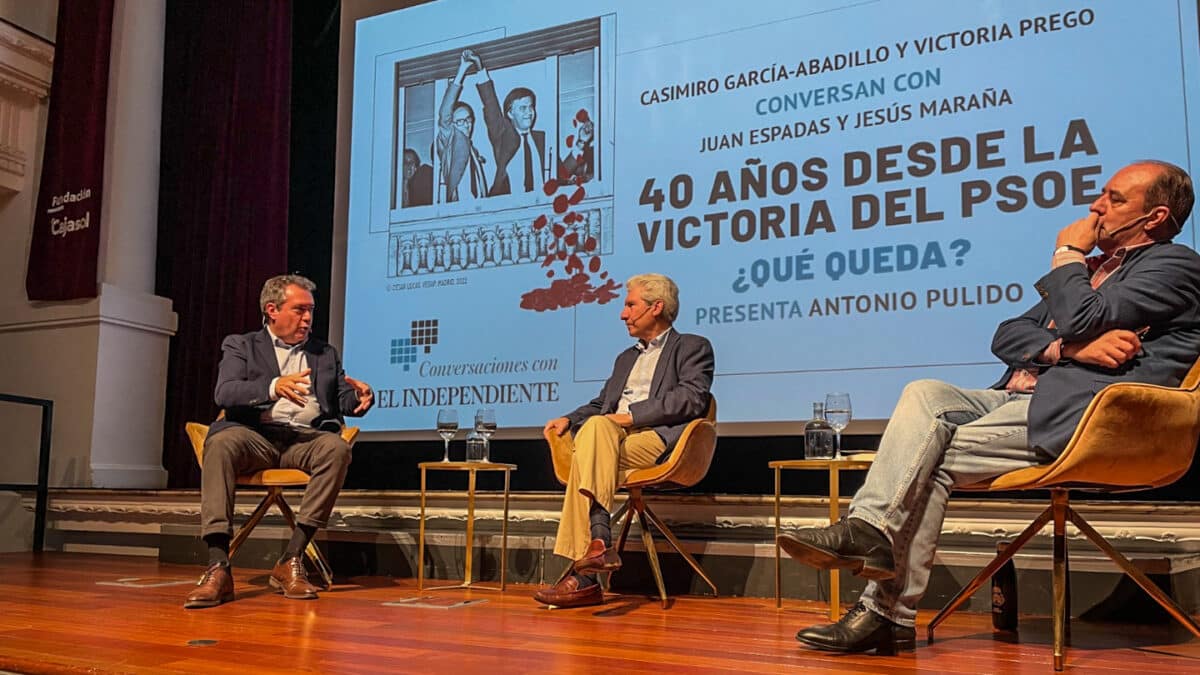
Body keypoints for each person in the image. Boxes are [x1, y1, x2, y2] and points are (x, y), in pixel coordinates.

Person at [776, 160, 1200, 653]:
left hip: (1089, 416)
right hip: (1023, 396)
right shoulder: (1090, 273)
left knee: (927, 460)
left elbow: (1084, 315)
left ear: (1154, 217)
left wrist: (1066, 253)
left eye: (1114, 199)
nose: (1095, 207)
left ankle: (884, 611)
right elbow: (1008, 334)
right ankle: (868, 531)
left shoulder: (1173, 265)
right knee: (924, 393)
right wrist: (1066, 348)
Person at [184, 274, 375, 608]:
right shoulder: (241, 345)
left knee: (336, 449)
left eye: (311, 311)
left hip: (303, 439)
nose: (308, 319)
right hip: (254, 436)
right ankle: (218, 565)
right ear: (272, 310)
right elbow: (225, 392)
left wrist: (360, 398)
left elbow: (341, 397)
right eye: (300, 310)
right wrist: (273, 387)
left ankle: (291, 559)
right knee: (220, 443)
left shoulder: (324, 353)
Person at [535, 273, 714, 608]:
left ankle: (588, 568)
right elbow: (602, 404)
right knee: (596, 429)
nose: (623, 314)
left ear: (656, 307)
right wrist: (569, 418)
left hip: (655, 440)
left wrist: (630, 417)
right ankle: (597, 550)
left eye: (630, 305)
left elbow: (691, 400)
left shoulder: (692, 346)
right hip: (610, 439)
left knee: (594, 439)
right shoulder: (625, 358)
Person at [468, 50, 593, 196]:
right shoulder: (502, 137)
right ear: (510, 113)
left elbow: (560, 174)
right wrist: (479, 67)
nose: (529, 112)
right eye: (522, 108)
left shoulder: (542, 140)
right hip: (508, 206)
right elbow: (491, 106)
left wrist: (580, 143)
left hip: (539, 208)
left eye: (531, 107)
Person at [437, 50, 490, 202]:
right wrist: (462, 71)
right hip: (458, 208)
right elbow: (444, 113)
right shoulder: (449, 141)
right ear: (451, 124)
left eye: (468, 119)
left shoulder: (473, 150)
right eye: (460, 121)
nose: (466, 124)